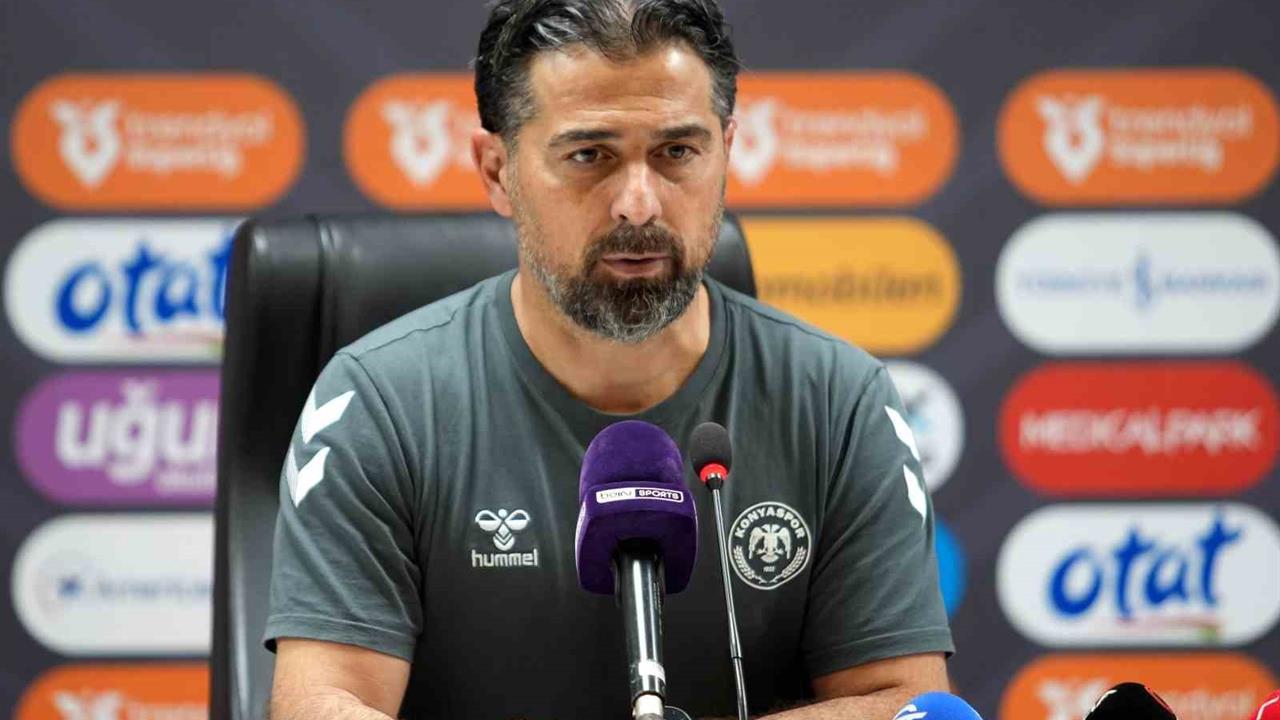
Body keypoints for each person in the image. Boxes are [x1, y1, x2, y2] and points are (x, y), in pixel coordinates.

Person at [265, 0, 954, 718]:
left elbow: (907, 703)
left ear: (726, 152)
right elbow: (321, 704)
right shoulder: (377, 404)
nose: (638, 204)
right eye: (589, 155)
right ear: (497, 172)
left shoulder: (839, 400)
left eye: (676, 152)